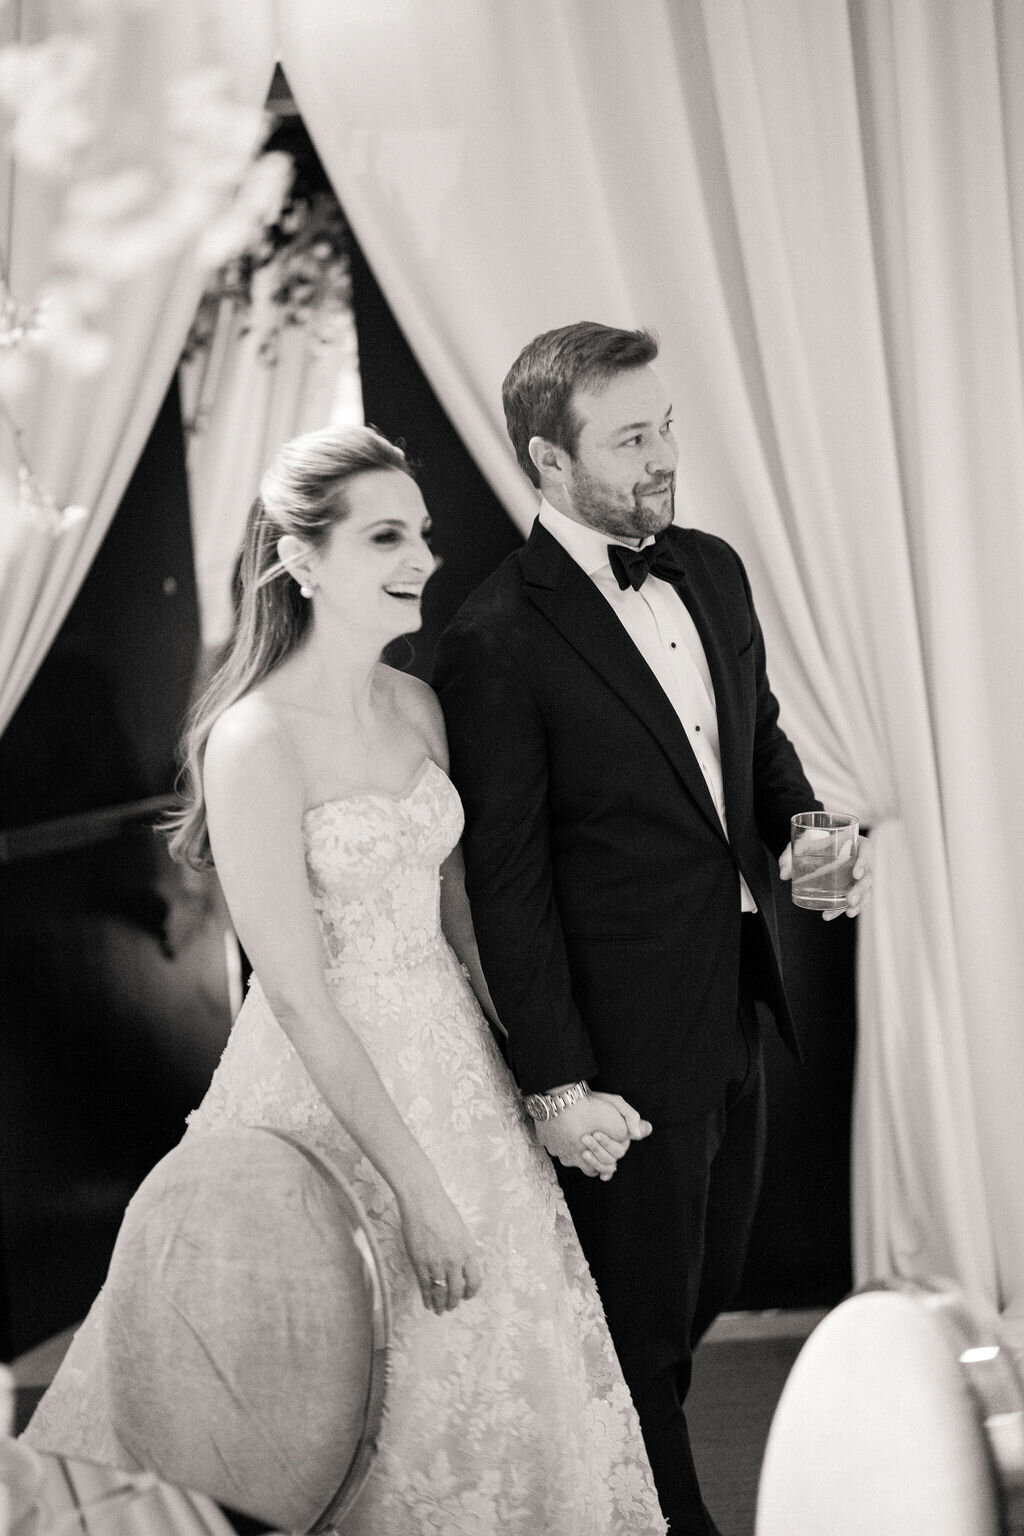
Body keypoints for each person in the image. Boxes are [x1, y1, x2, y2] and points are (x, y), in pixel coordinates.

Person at [23, 425, 666, 1536]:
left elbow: (464, 923)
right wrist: (419, 1192)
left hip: (455, 1069)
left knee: (507, 1372)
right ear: (301, 557)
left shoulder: (415, 706)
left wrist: (554, 1087)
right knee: (352, 1390)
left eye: (419, 533)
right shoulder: (253, 739)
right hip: (334, 1100)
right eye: (384, 536)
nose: (420, 556)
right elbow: (301, 997)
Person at [433, 323, 873, 1535]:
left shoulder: (713, 569)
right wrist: (558, 1083)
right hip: (619, 1057)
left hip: (736, 1006)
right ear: (547, 459)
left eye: (665, 424)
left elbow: (758, 740)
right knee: (639, 1350)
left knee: (698, 1305)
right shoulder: (493, 642)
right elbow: (506, 885)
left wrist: (805, 830)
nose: (664, 455)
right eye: (631, 438)